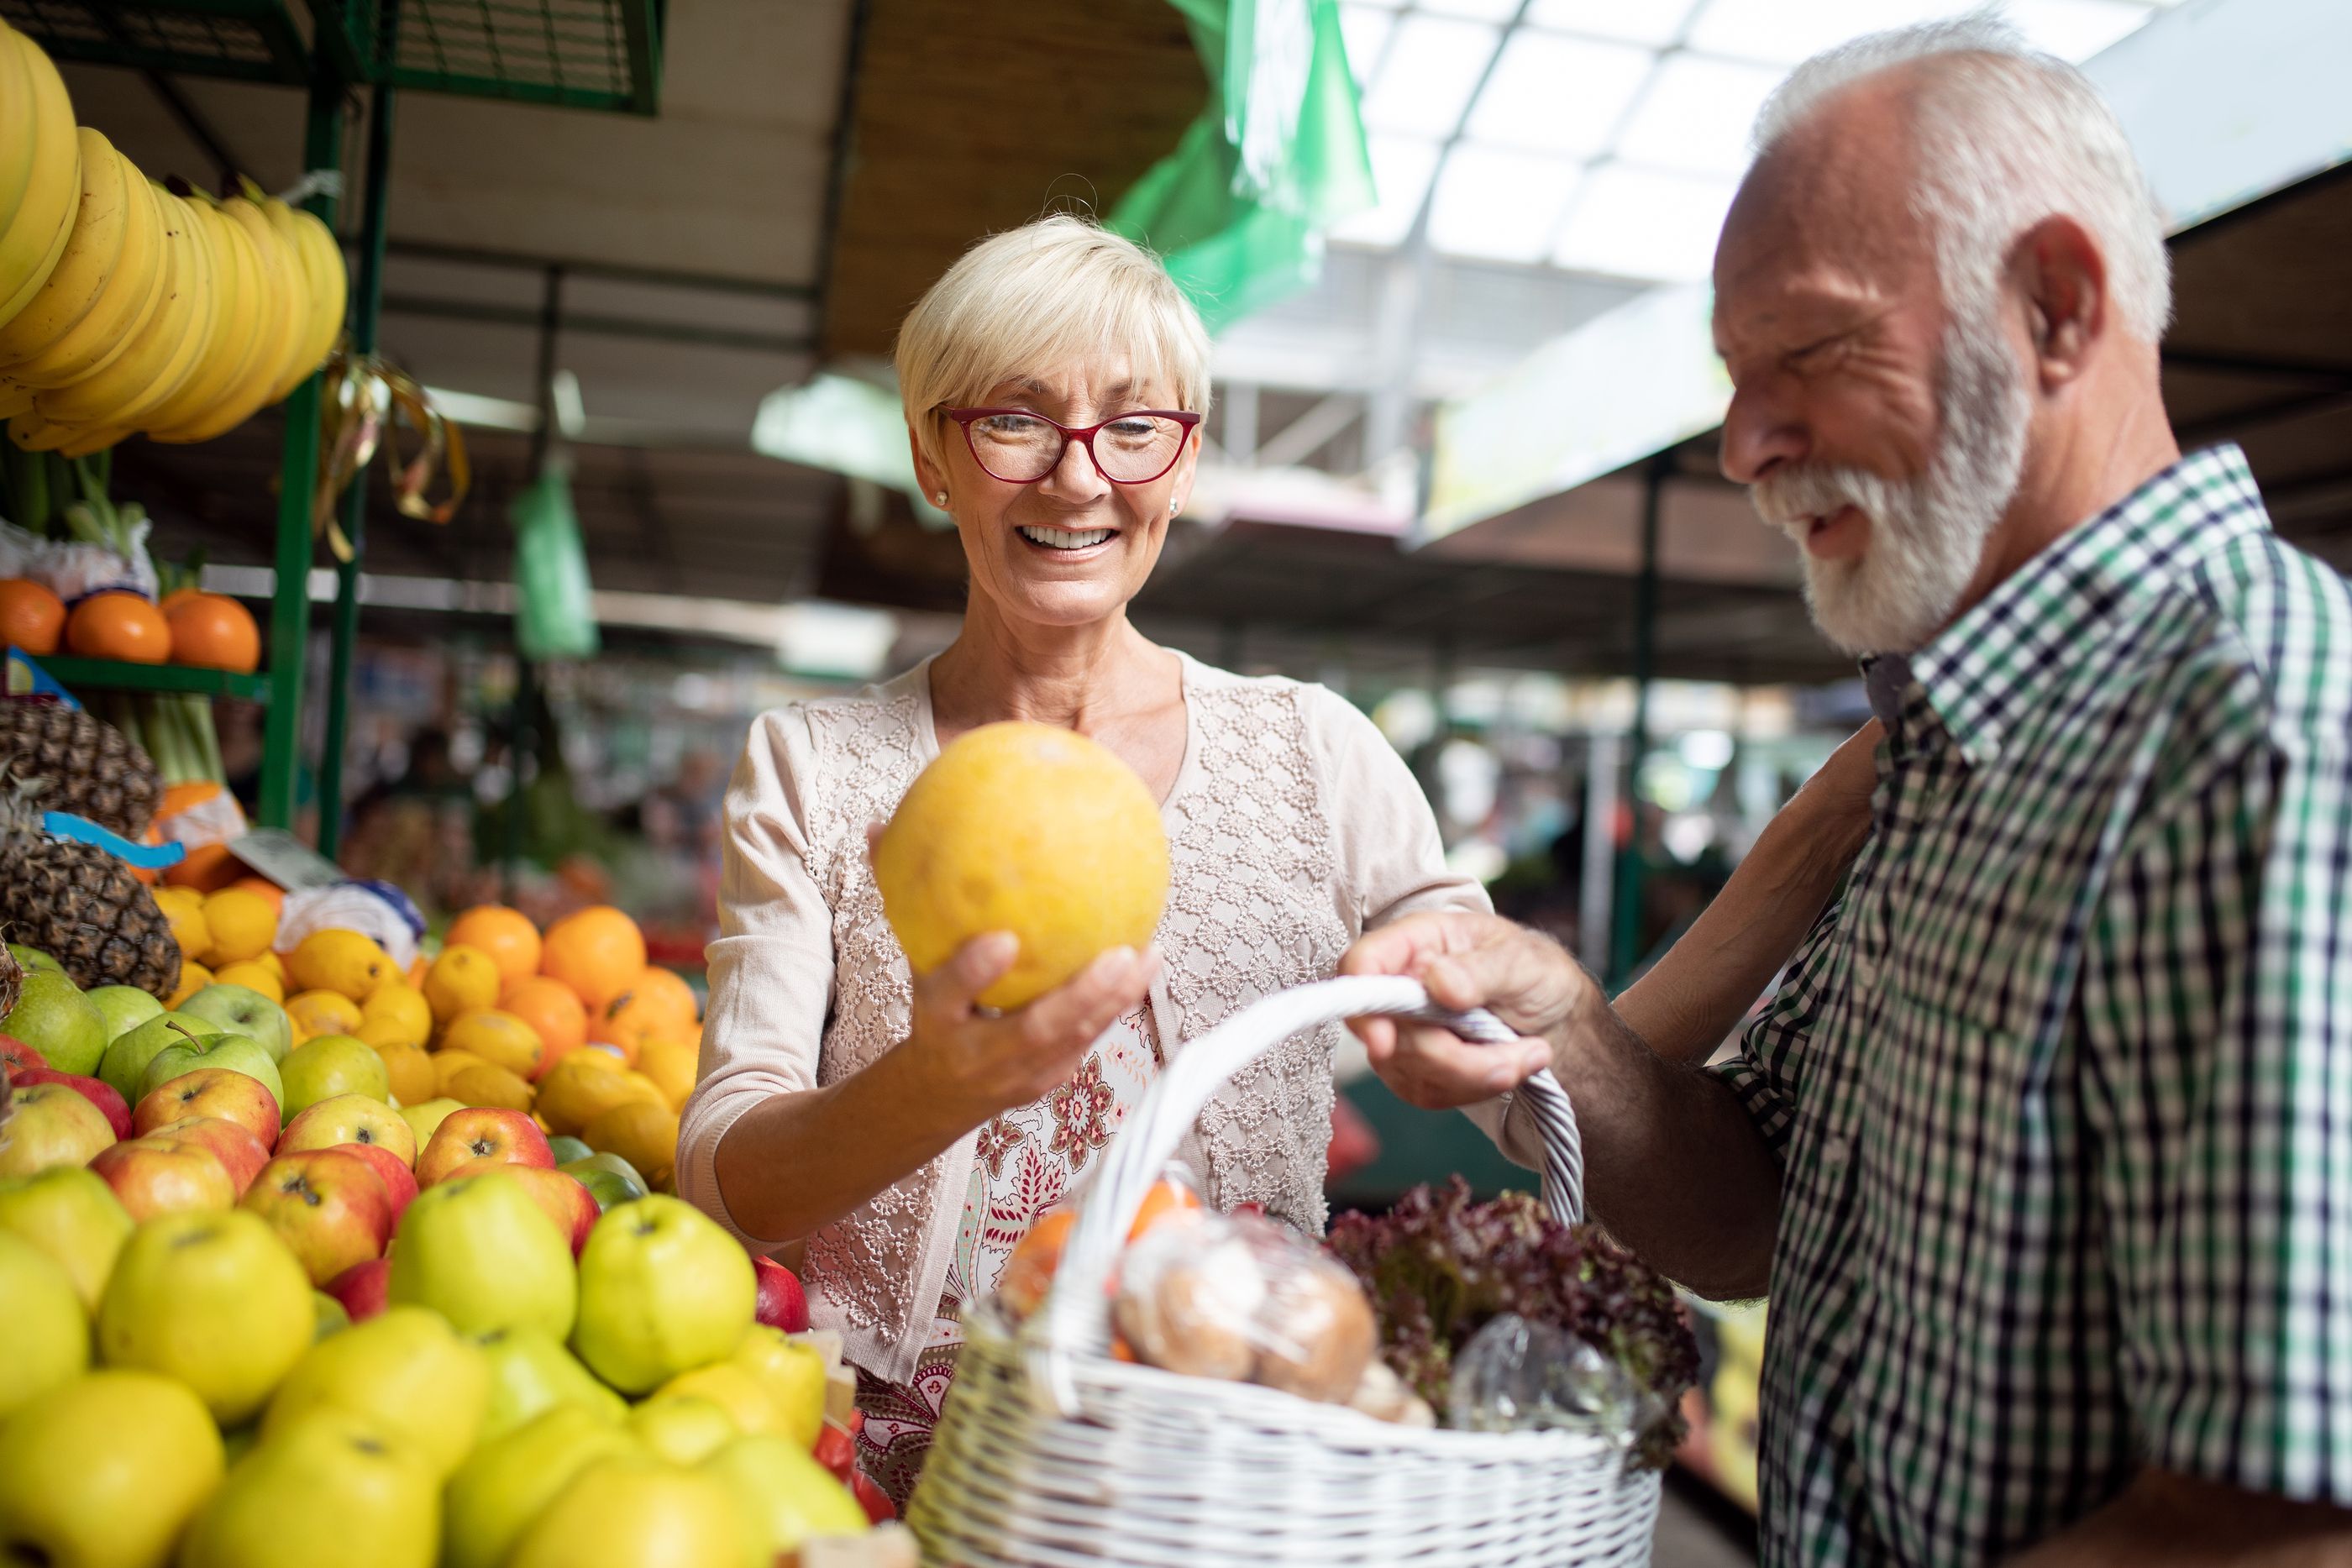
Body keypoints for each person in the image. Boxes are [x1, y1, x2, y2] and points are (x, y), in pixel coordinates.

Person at [1345, 18, 2352, 1566]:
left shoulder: (2262, 728)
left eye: (1808, 353)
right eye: (1737, 378)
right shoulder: (1954, 742)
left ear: (2060, 308)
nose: (1748, 445)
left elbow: (2274, 1530)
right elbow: (1749, 1213)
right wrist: (1567, 1029)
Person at [675, 216, 1877, 1502]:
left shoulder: (1315, 758)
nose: (1081, 479)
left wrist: (1806, 843)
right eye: (1014, 422)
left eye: (1134, 426)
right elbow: (725, 1176)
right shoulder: (812, 762)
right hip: (876, 1496)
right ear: (932, 453)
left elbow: (1543, 1097)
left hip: (1229, 1495)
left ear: (1183, 462)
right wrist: (934, 1083)